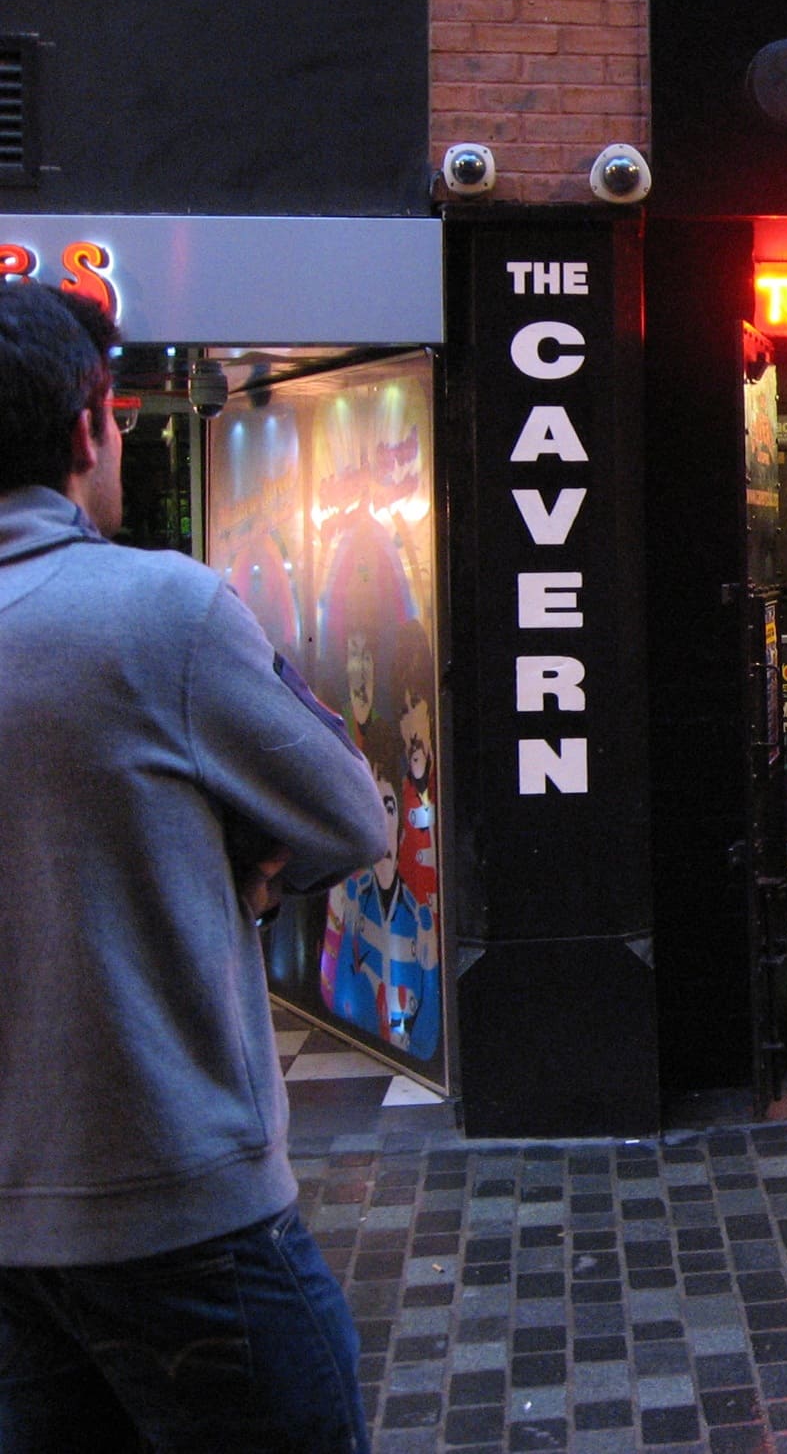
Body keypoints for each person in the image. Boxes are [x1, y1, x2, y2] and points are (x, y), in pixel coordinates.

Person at [0, 280, 389, 1452]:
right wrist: (249, 873)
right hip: (173, 1209)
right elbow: (352, 813)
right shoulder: (157, 612)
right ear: (89, 430)